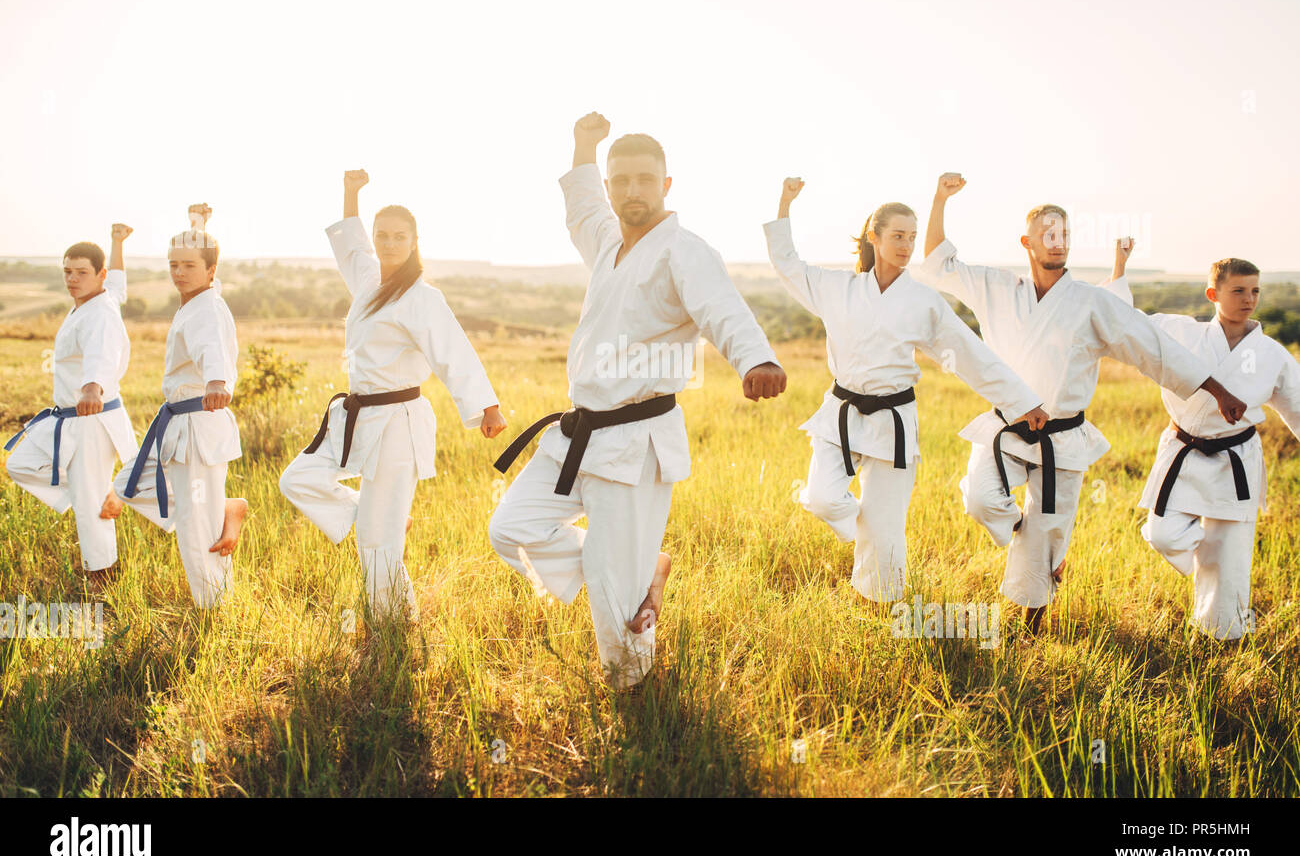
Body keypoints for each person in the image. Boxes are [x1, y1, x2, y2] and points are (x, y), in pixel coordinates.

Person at [489, 112, 787, 689]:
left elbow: (721, 309)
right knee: (511, 528)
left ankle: (633, 693)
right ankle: (641, 569)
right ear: (609, 186)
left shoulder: (684, 250)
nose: (632, 190)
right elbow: (580, 207)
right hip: (577, 435)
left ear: (667, 185)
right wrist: (583, 143)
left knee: (607, 583)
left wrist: (756, 358)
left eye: (645, 179)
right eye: (620, 179)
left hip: (634, 440)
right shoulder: (607, 242)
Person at [915, 174, 1246, 632]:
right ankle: (1029, 536)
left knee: (1046, 538)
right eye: (1049, 234)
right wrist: (939, 198)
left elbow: (1152, 346)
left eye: (1065, 235)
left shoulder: (1091, 303)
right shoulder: (995, 288)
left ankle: (1031, 622)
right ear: (1026, 242)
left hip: (1064, 438)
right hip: (1005, 429)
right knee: (981, 499)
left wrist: (1216, 388)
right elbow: (936, 262)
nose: (1058, 242)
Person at [765, 177, 1048, 603]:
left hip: (893, 423)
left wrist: (1023, 402)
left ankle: (878, 611)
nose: (906, 246)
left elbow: (971, 354)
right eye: (897, 236)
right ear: (873, 238)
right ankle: (862, 525)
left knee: (886, 534)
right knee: (823, 498)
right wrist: (784, 204)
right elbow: (788, 265)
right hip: (840, 412)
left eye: (912, 238)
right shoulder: (837, 289)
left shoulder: (923, 301)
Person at [279, 170, 506, 621]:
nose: (388, 243)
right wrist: (350, 193)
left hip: (399, 422)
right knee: (297, 480)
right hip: (357, 415)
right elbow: (351, 245)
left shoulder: (422, 297)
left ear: (415, 241)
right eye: (382, 235)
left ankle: (390, 627)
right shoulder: (367, 280)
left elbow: (453, 351)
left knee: (377, 544)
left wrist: (487, 406)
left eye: (399, 237)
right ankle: (377, 524)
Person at [1113, 254, 1300, 639]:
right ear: (1213, 293)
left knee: (1230, 566)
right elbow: (1124, 322)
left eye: (1255, 291)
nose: (1249, 299)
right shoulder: (1182, 332)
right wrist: (1120, 266)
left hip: (1236, 461)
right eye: (1238, 291)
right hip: (1185, 452)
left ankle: (1224, 636)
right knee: (1163, 533)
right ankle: (1209, 553)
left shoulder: (1271, 355)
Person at [107, 205, 248, 607]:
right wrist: (198, 228)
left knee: (195, 526)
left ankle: (215, 611)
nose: (179, 272)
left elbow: (211, 348)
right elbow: (203, 263)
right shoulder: (198, 299)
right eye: (173, 265)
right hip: (175, 427)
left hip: (196, 429)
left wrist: (217, 381)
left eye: (188, 265)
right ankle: (226, 506)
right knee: (127, 485)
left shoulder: (205, 310)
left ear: (211, 270)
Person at [5, 225, 137, 592]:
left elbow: (101, 352)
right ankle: (100, 494)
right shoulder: (102, 297)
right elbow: (121, 283)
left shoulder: (99, 314)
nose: (72, 279)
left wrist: (93, 386)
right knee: (20, 463)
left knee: (90, 502)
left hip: (92, 416)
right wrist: (117, 244)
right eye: (67, 271)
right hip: (68, 417)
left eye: (81, 272)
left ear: (99, 275)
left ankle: (103, 576)